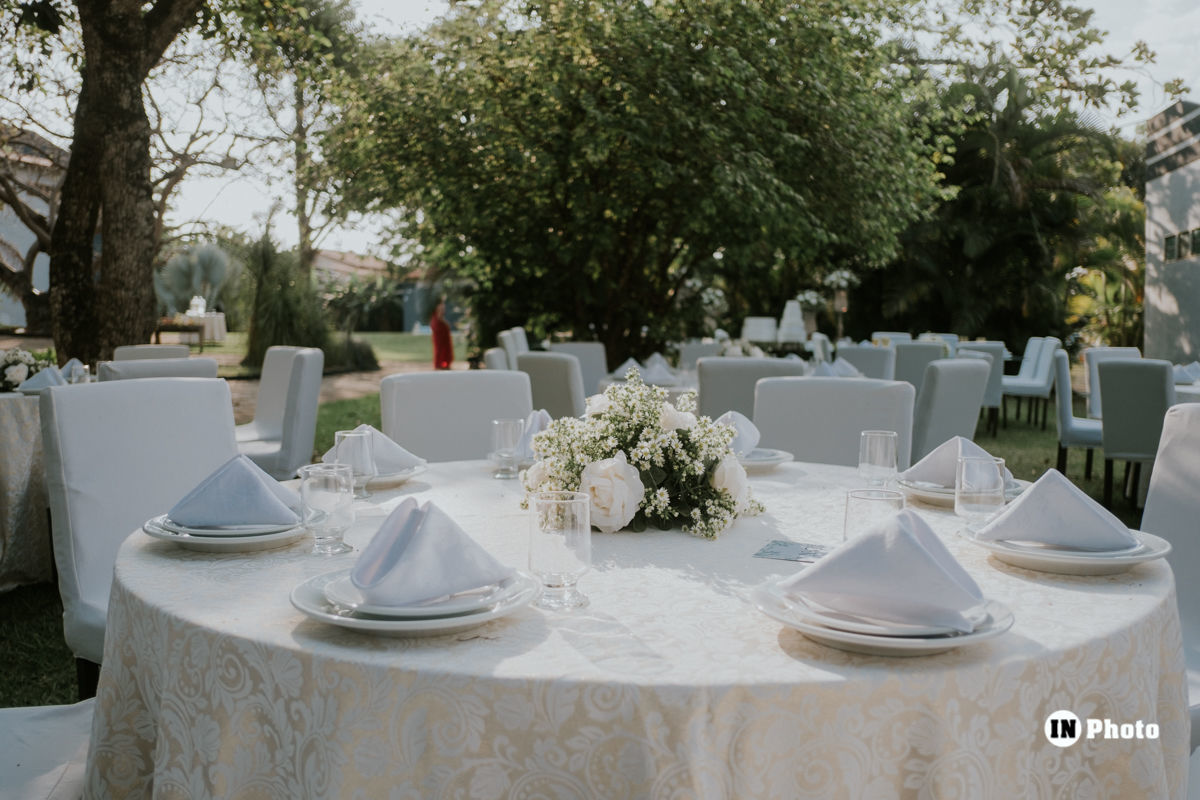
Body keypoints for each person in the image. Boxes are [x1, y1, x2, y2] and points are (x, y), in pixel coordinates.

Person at [430, 297, 453, 370]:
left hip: (436, 326)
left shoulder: (433, 307)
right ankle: (442, 363)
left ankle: (439, 363)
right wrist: (446, 324)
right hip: (440, 328)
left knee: (438, 346)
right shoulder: (440, 306)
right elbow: (440, 317)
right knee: (442, 346)